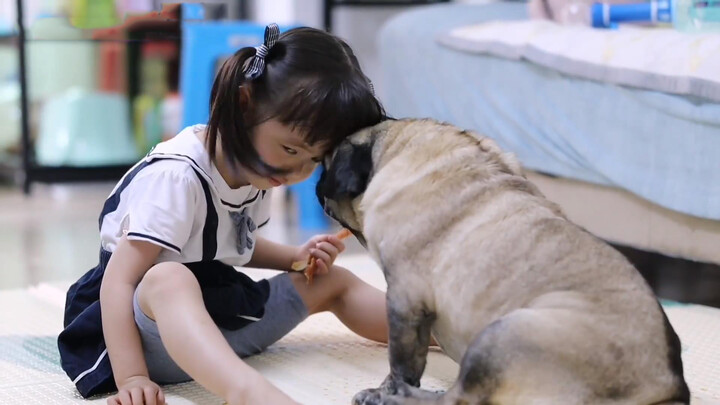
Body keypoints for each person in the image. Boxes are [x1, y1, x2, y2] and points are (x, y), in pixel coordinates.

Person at [58, 24, 388, 405]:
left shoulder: (257, 168)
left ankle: (439, 333)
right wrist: (132, 377)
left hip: (215, 323)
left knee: (333, 281)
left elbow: (234, 241)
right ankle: (246, 392)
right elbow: (118, 281)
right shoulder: (176, 176)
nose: (297, 172)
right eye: (292, 150)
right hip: (143, 337)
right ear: (244, 106)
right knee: (168, 276)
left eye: (315, 160)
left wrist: (293, 258)